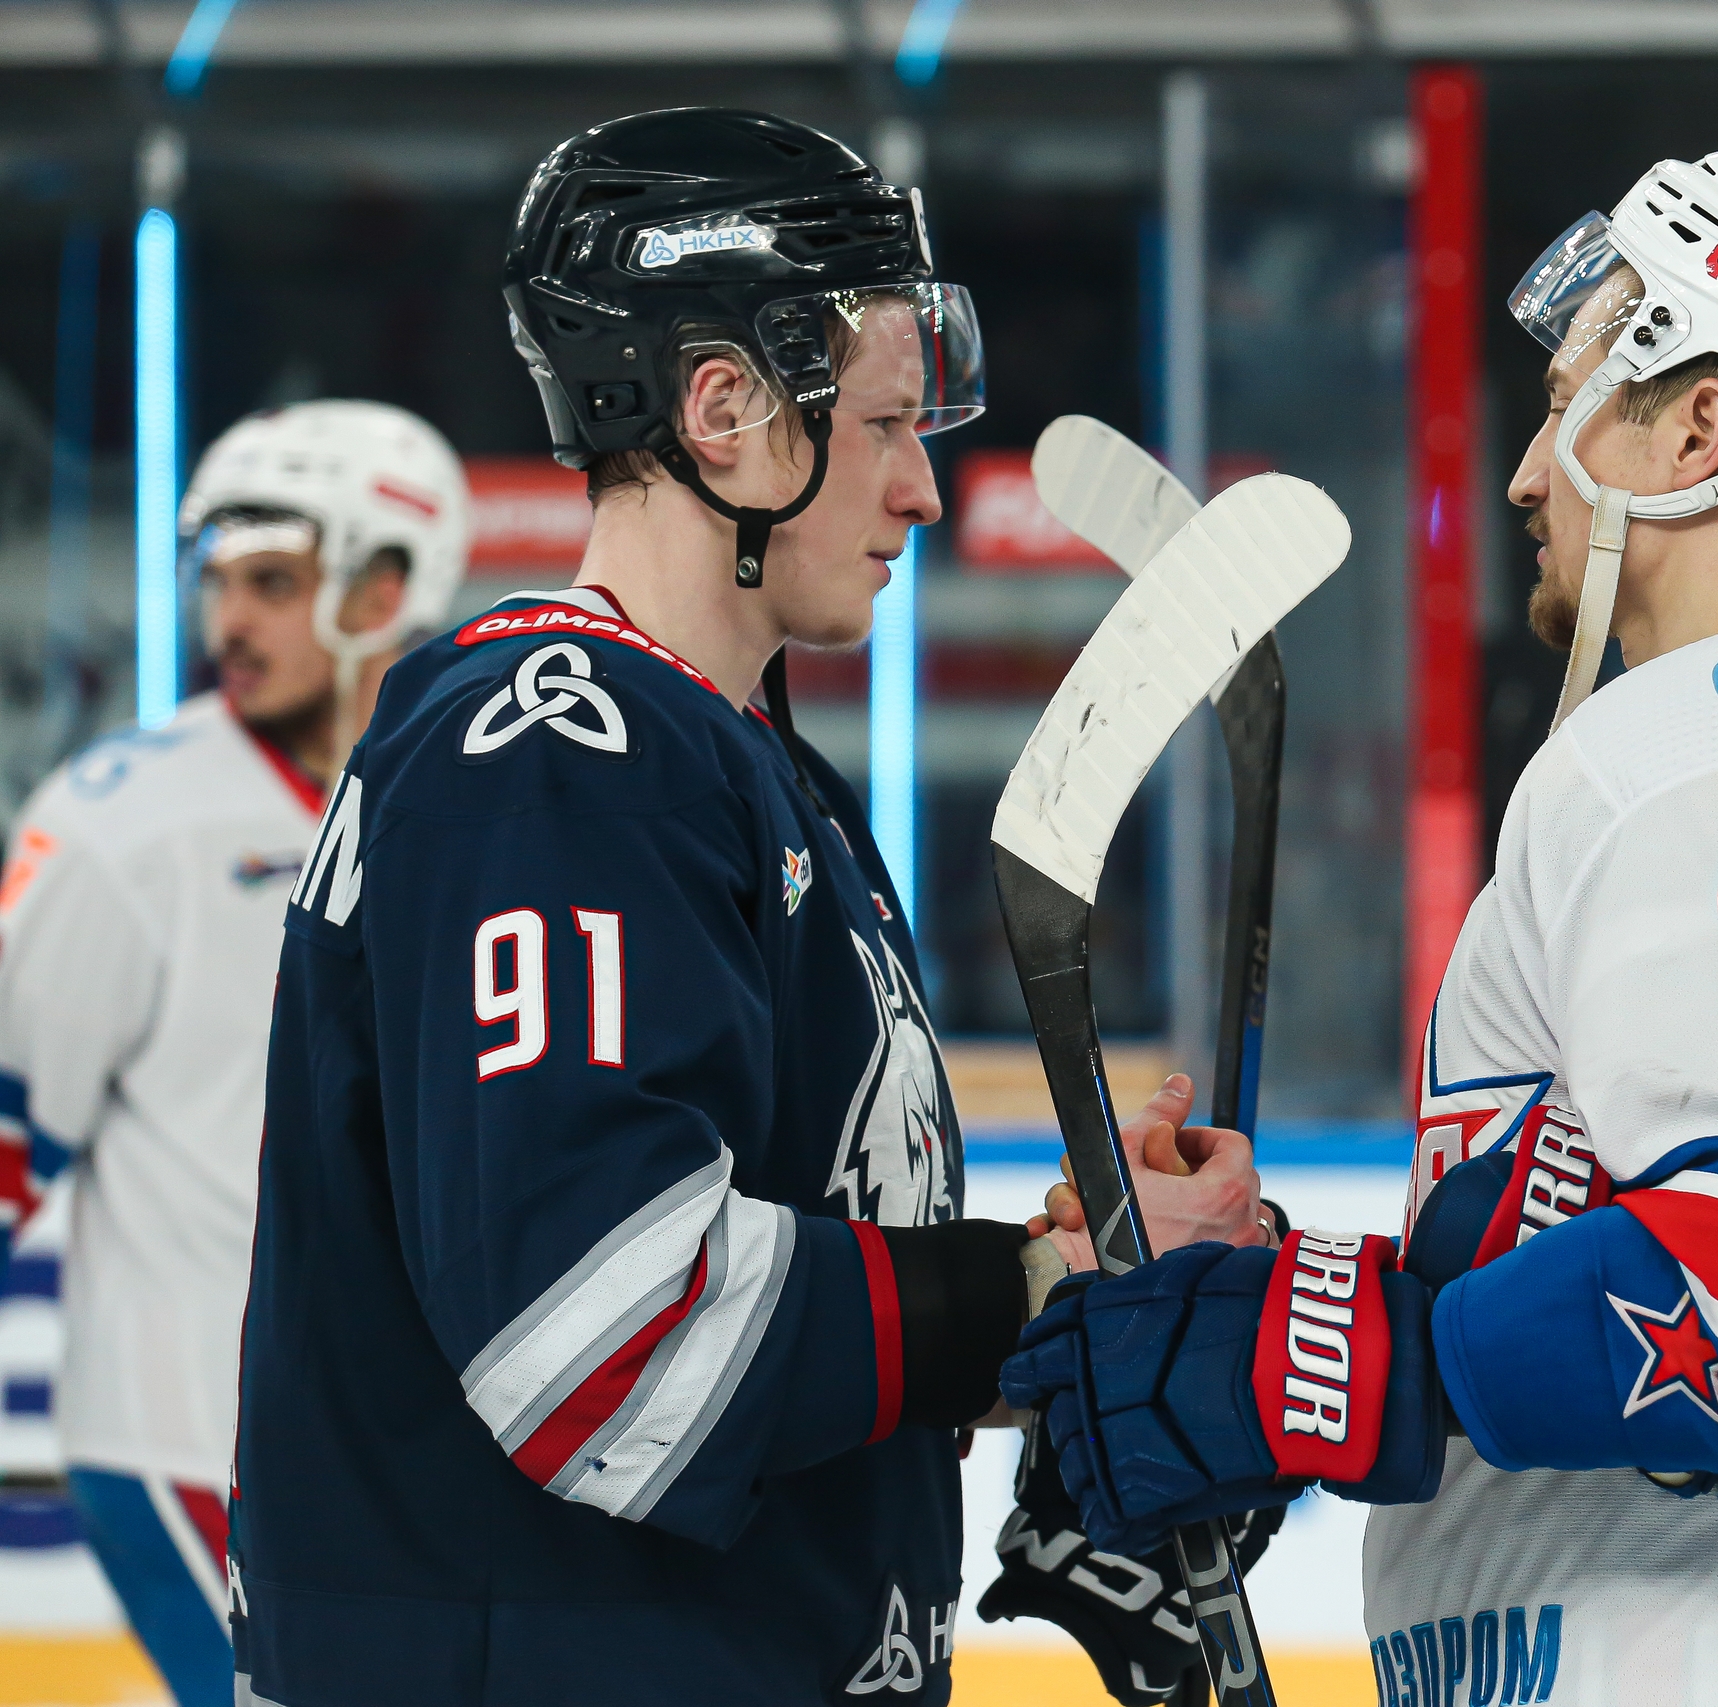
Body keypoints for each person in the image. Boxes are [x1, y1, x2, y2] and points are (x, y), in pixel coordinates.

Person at [1004, 148, 1718, 1705]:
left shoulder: (1714, 746)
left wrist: (1318, 1372)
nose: (1529, 474)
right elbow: (1635, 1237)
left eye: (1568, 404)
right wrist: (1279, 1295)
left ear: (1701, 429)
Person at [226, 107, 1266, 1707]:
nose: (923, 489)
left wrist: (1075, 1301)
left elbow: (797, 1287)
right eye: (887, 424)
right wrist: (1034, 1299)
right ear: (723, 410)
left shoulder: (742, 768)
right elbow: (601, 1341)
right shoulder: (562, 755)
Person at [0, 398, 469, 1707]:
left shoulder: (479, 799)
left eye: (273, 581)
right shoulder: (124, 823)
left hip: (398, 1449)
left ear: (389, 586)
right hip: (185, 1439)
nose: (229, 622)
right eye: (219, 581)